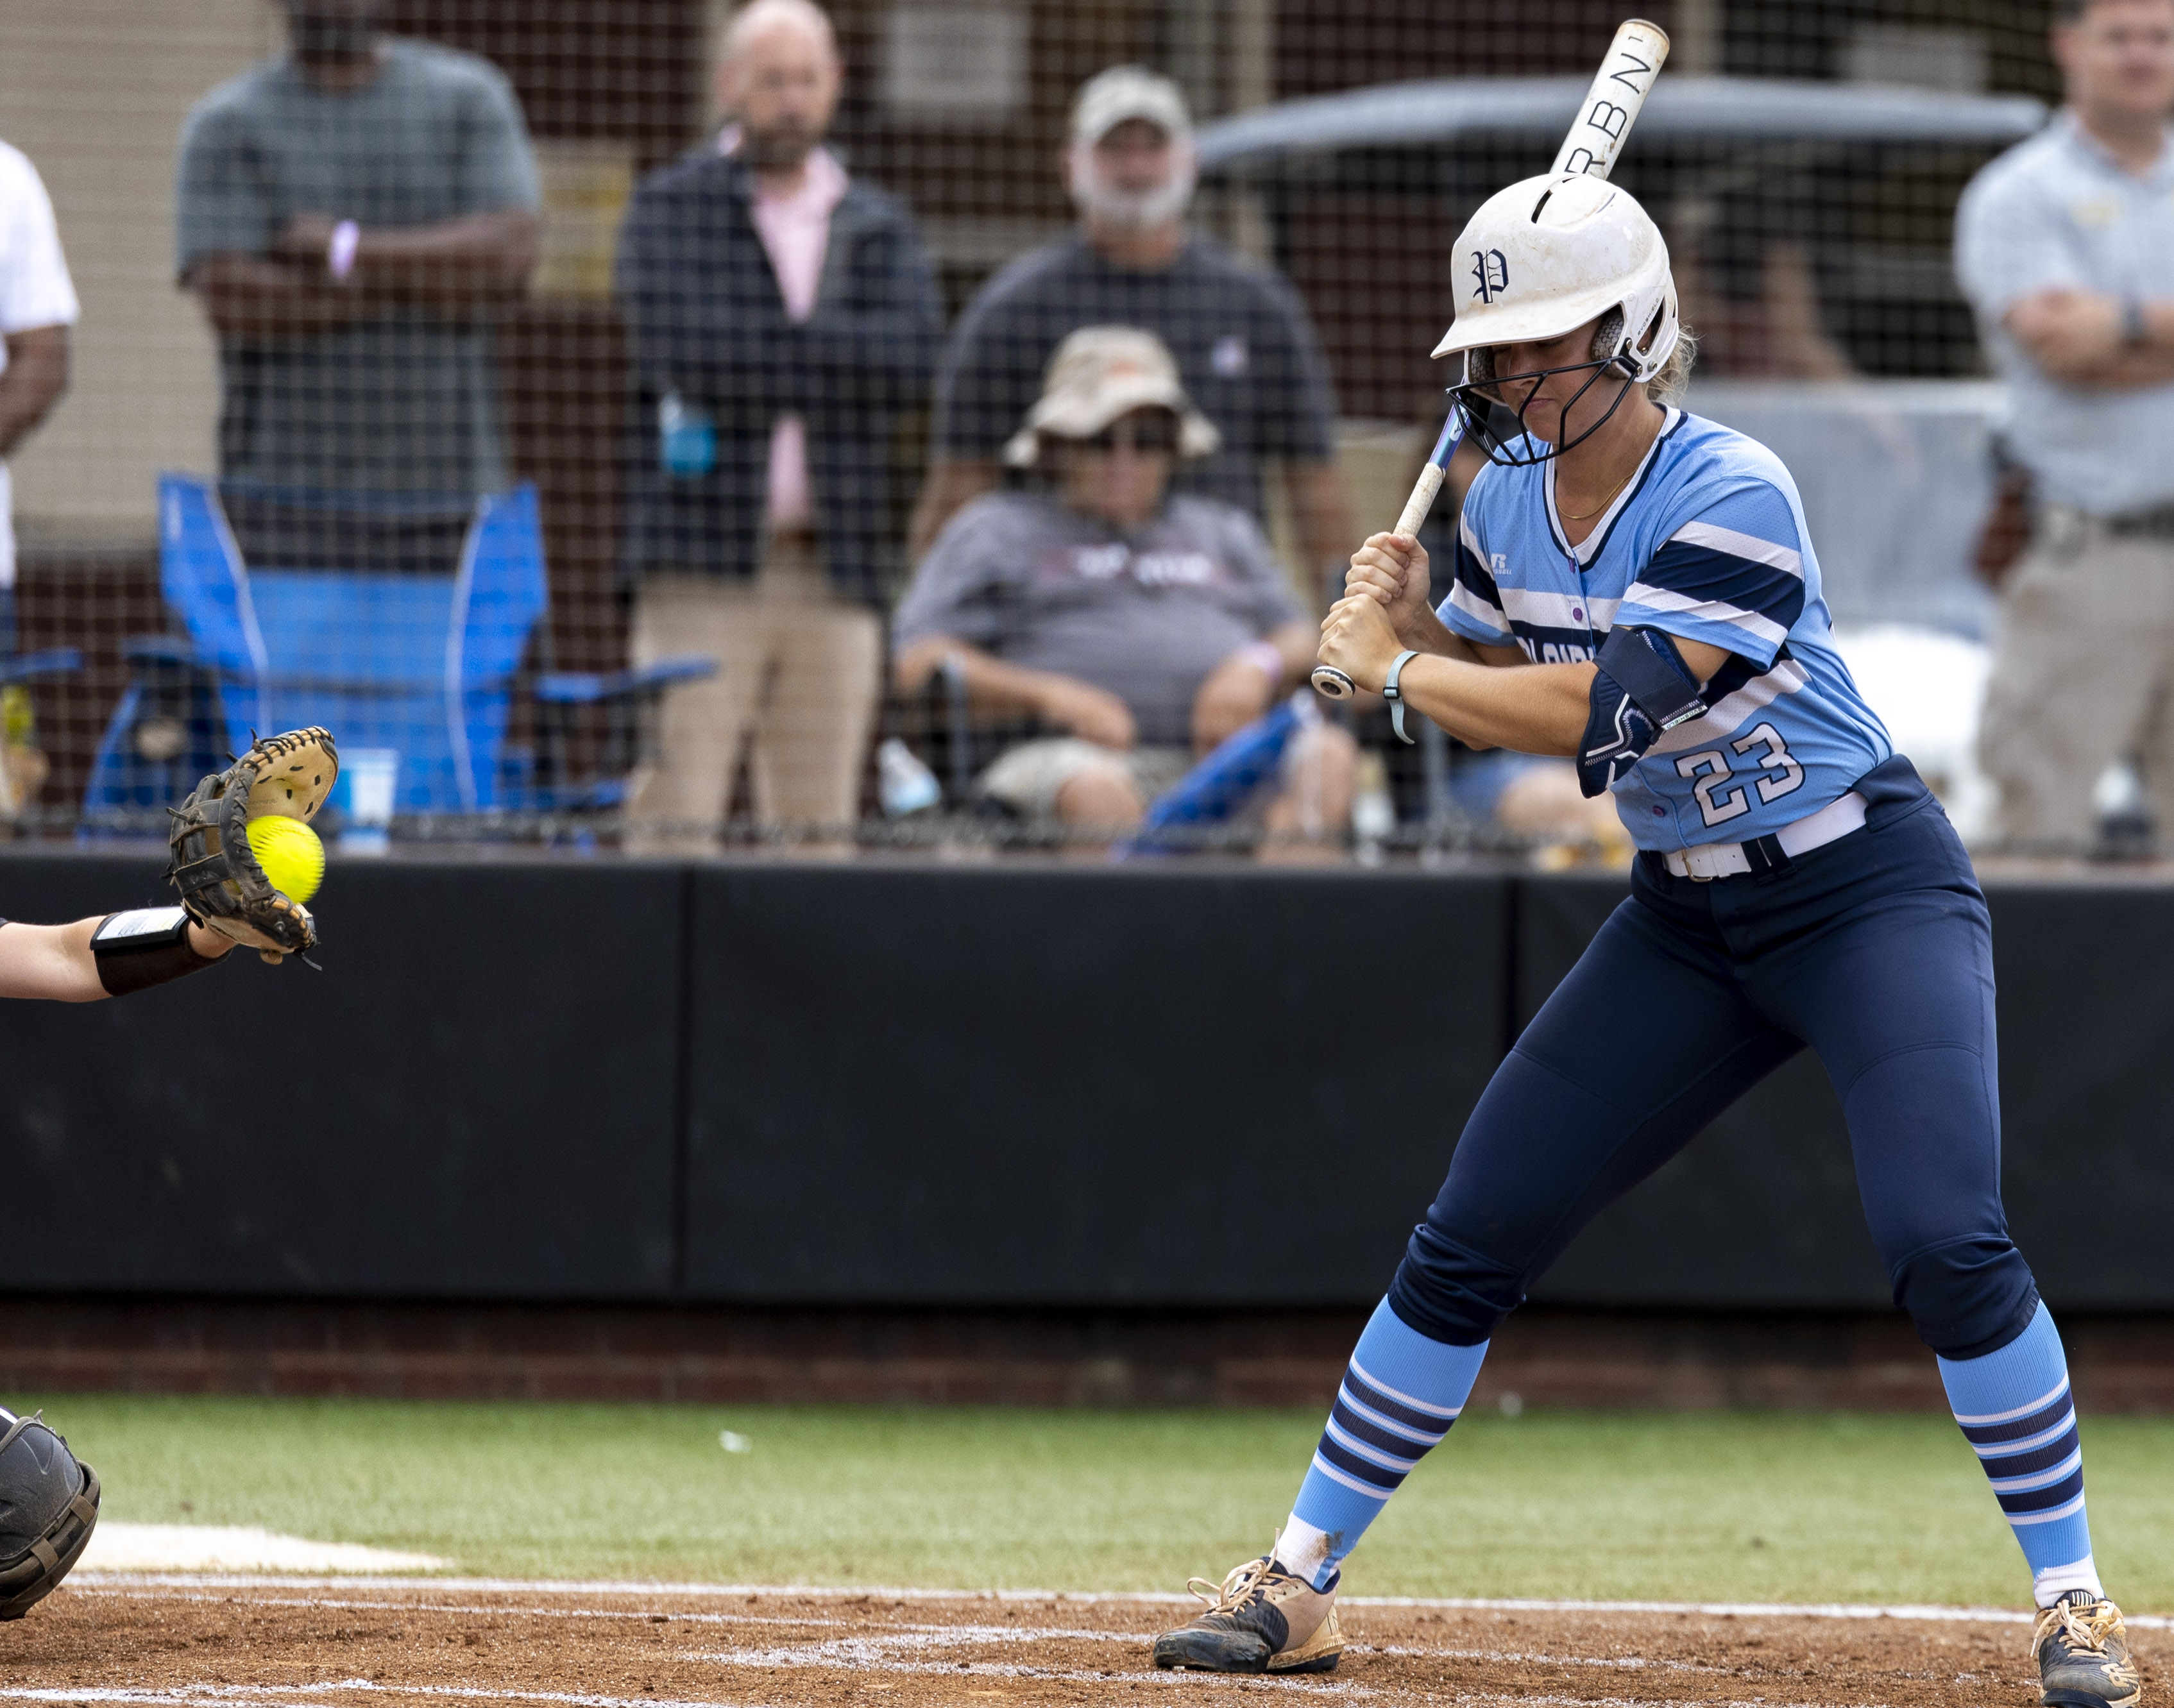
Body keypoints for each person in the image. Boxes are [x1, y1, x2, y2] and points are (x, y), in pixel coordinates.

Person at [1150, 171, 2139, 1708]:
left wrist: (1400, 677)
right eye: (1493, 350)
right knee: (1472, 1229)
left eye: (1546, 341)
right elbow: (1499, 644)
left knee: (1945, 1238)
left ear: (1638, 331)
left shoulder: (1734, 488)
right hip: (1689, 914)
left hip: (1862, 884)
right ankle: (1297, 1579)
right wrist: (1393, 617)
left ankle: (2078, 1603)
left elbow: (1601, 708)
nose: (1507, 378)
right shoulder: (1492, 498)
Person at [616, 0, 942, 850]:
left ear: (834, 87)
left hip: (831, 570)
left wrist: (771, 352)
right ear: (729, 86)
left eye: (806, 80)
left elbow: (909, 361)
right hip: (699, 566)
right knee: (673, 813)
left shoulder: (875, 225)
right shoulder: (671, 208)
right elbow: (682, 352)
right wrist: (831, 362)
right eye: (771, 81)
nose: (790, 100)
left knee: (817, 829)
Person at [894, 327, 1352, 848]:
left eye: (1148, 439)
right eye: (1100, 439)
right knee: (1096, 791)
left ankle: (1285, 932)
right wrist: (1052, 696)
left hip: (1221, 758)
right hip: (1064, 761)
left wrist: (1254, 665)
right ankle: (1140, 933)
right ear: (1056, 445)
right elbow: (916, 662)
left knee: (1326, 757)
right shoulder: (996, 529)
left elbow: (1304, 636)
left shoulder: (1223, 530)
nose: (1125, 459)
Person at [910, 66, 1352, 586]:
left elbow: (1315, 487)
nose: (1136, 167)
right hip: (1054, 602)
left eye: (1152, 147)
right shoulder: (1012, 310)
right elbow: (960, 490)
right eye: (1115, 149)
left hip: (1218, 607)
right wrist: (935, 618)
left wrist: (1346, 621)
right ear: (1069, 164)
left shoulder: (1256, 307)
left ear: (1188, 159)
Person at [1955, 0, 2174, 852]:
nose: (2140, 54)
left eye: (2159, 37)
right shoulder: (2017, 192)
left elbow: (2095, 339)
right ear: (2068, 46)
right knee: (2034, 843)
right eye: (2119, 36)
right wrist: (2110, 334)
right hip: (2084, 558)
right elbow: (2061, 348)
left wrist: (2115, 324)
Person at [175, 0, 541, 498]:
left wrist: (343, 249)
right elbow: (233, 298)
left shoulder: (468, 97)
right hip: (279, 498)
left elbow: (508, 253)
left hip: (449, 495)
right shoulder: (229, 123)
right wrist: (423, 286)